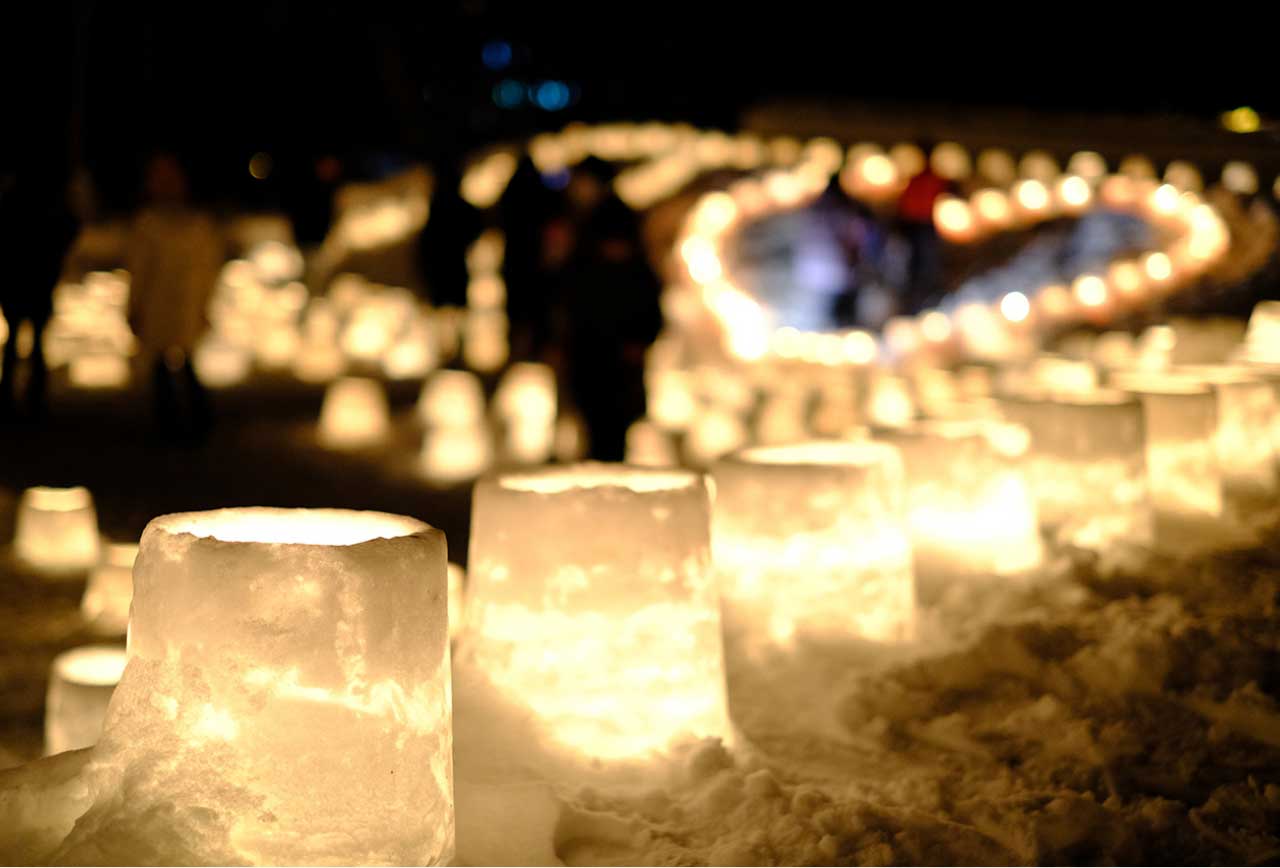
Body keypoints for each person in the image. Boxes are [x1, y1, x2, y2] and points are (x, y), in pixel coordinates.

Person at [557, 194, 662, 461]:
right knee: (595, 430)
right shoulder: (585, 273)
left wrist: (639, 343)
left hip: (621, 370)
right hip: (591, 366)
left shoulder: (637, 274)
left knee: (617, 432)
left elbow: (652, 316)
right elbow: (572, 315)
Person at [126, 152, 223, 441]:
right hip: (161, 305)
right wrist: (135, 304)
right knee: (163, 367)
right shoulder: (149, 225)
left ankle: (194, 422)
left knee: (184, 364)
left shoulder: (197, 226)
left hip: (185, 304)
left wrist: (205, 303)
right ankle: (172, 424)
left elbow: (209, 269)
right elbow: (139, 269)